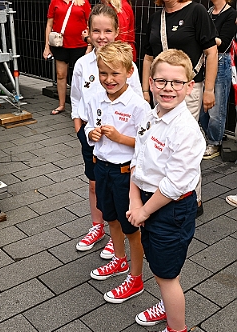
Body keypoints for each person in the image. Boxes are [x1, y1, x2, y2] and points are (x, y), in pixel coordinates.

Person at [126, 49, 206, 332]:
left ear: (189, 87)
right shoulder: (151, 113)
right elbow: (139, 158)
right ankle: (166, 304)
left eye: (176, 82)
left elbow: (174, 185)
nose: (168, 88)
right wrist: (135, 199)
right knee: (165, 266)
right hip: (149, 202)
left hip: (170, 209)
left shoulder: (186, 131)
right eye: (161, 81)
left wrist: (144, 210)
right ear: (149, 81)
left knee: (166, 274)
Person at [71, 4, 143, 260]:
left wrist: (122, 136)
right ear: (88, 32)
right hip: (91, 134)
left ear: (117, 32)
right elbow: (77, 99)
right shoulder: (82, 64)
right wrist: (81, 129)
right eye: (96, 31)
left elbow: (135, 100)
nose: (101, 36)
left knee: (118, 189)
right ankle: (97, 227)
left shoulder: (126, 63)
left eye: (107, 31)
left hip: (119, 141)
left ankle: (118, 238)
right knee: (94, 183)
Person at [84, 41, 151, 303]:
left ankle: (136, 278)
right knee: (110, 216)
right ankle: (119, 260)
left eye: (115, 73)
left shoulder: (138, 105)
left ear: (129, 73)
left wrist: (121, 138)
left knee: (131, 227)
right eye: (103, 73)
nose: (109, 79)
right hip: (102, 168)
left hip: (125, 174)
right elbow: (90, 124)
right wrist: (91, 132)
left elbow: (145, 144)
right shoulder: (96, 98)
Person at [141, 0, 218, 217]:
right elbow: (148, 57)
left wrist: (209, 89)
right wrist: (145, 90)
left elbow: (211, 52)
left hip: (188, 90)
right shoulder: (156, 18)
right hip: (161, 90)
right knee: (163, 141)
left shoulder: (197, 11)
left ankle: (193, 198)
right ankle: (164, 192)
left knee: (183, 142)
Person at [199, 0, 237, 159]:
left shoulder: (231, 14)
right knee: (203, 107)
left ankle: (215, 142)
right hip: (205, 60)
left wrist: (202, 34)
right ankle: (207, 139)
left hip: (221, 62)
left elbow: (223, 43)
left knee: (217, 108)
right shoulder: (208, 12)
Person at [43, 0, 91, 115]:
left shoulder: (83, 2)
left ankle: (81, 107)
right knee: (60, 75)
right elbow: (49, 24)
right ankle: (61, 104)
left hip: (80, 45)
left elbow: (90, 24)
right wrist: (47, 46)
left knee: (80, 77)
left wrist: (89, 44)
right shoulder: (55, 1)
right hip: (60, 44)